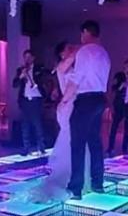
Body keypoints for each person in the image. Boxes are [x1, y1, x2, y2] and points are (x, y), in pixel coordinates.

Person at [22, 42, 91, 203]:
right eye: (68, 48)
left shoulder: (73, 67)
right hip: (68, 105)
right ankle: (68, 174)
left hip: (75, 104)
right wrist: (84, 45)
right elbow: (70, 84)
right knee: (71, 139)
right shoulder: (62, 66)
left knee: (78, 139)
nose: (71, 49)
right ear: (62, 54)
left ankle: (79, 176)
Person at [65, 20, 111, 200]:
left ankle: (75, 188)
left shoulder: (84, 52)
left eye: (82, 33)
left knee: (78, 143)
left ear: (85, 32)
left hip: (85, 99)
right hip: (100, 98)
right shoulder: (104, 53)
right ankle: (97, 183)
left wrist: (64, 99)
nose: (81, 37)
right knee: (95, 142)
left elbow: (77, 78)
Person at [12, 49, 46, 156]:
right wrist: (21, 76)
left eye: (29, 57)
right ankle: (26, 148)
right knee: (25, 126)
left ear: (33, 58)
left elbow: (43, 78)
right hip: (25, 101)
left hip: (36, 100)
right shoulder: (20, 70)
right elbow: (14, 84)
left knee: (37, 124)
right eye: (25, 57)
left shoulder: (39, 68)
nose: (27, 59)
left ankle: (41, 147)